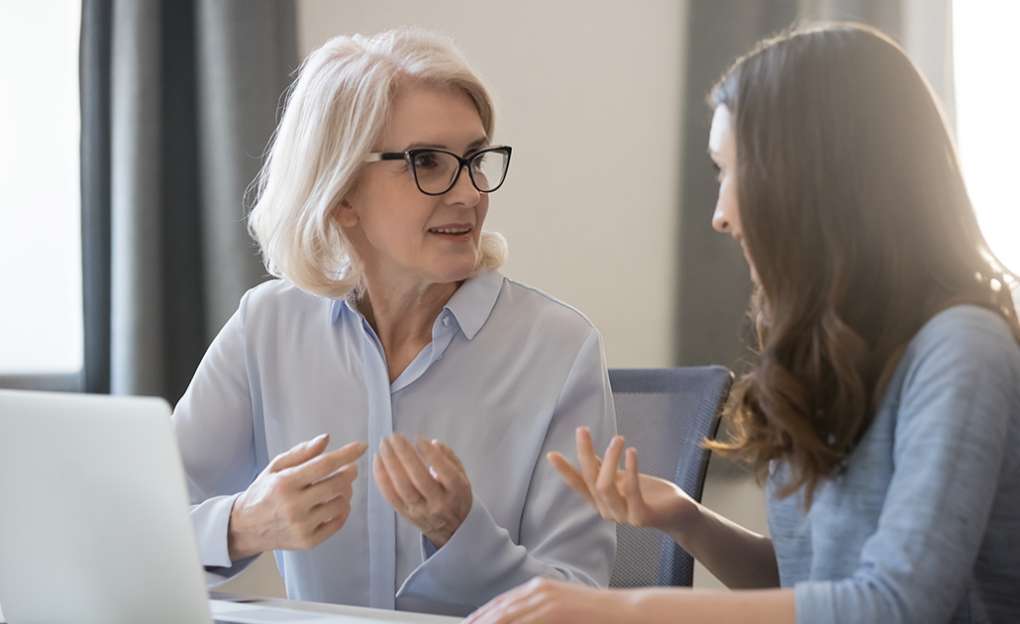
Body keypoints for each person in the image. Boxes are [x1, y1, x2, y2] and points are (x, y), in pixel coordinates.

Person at [467, 23, 1020, 624]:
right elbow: (807, 583)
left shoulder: (962, 349)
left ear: (818, 179)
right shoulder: (839, 351)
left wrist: (619, 609)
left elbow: (894, 605)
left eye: (734, 172)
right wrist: (686, 518)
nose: (721, 214)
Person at [172, 27, 616, 617]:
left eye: (475, 159)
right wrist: (246, 524)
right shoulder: (268, 326)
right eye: (428, 162)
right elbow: (139, 526)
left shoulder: (560, 348)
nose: (467, 194)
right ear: (340, 192)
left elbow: (582, 603)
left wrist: (462, 536)